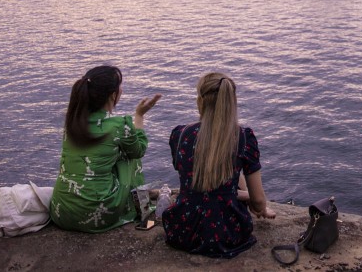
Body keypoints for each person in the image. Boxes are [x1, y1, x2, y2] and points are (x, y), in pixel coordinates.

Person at [162, 72, 275, 258]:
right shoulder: (243, 138)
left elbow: (200, 185)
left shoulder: (180, 134)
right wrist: (260, 207)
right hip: (228, 233)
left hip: (182, 229)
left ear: (200, 100)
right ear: (232, 102)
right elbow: (258, 200)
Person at [49, 65, 161, 232]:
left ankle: (142, 199)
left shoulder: (73, 122)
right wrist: (139, 116)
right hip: (96, 215)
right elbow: (139, 150)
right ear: (113, 95)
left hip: (61, 212)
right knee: (130, 155)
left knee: (110, 152)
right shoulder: (119, 125)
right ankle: (143, 207)